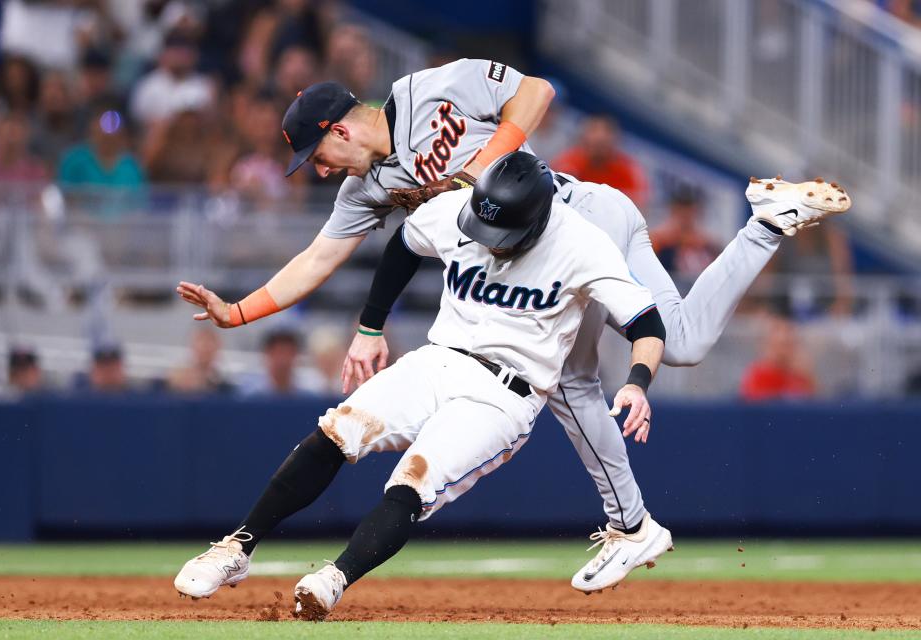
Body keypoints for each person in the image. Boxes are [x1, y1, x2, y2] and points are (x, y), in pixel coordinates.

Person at [174, 60, 850, 592]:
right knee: (685, 343)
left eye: (317, 157)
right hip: (580, 226)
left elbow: (535, 92)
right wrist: (237, 313)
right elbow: (316, 260)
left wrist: (486, 164)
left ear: (340, 129)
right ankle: (765, 223)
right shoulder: (367, 190)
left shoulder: (426, 91)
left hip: (573, 224)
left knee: (569, 383)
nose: (319, 173)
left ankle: (631, 526)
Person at [173, 152, 671, 618]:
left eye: (501, 229)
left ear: (537, 219)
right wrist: (370, 327)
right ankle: (236, 547)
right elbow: (405, 245)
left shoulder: (582, 244)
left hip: (503, 393)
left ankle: (334, 578)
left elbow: (647, 324)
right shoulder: (461, 208)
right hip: (436, 360)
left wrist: (636, 382)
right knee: (337, 430)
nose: (488, 236)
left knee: (413, 482)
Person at [551, 114, 649, 209]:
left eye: (607, 131)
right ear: (583, 137)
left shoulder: (628, 171)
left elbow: (639, 207)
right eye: (594, 130)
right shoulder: (568, 162)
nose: (600, 136)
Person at [740, 312, 817, 401]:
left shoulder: (802, 373)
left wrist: (807, 375)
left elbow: (815, 404)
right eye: (777, 330)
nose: (784, 336)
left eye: (789, 330)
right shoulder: (758, 375)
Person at [166, 327, 232, 395]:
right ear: (192, 345)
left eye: (210, 343)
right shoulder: (179, 379)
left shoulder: (223, 385)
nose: (205, 348)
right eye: (201, 342)